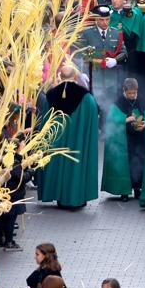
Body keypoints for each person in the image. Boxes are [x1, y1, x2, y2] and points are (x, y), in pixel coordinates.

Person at [38, 65, 100, 208]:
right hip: (78, 145)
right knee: (76, 165)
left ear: (60, 76)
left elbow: (45, 126)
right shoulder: (86, 98)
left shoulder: (51, 96)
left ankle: (59, 196)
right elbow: (92, 123)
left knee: (58, 163)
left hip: (57, 144)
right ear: (75, 77)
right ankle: (77, 197)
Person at [101, 78, 145, 201]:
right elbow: (111, 122)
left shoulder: (142, 101)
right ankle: (124, 192)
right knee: (126, 164)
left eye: (134, 93)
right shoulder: (118, 103)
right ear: (124, 90)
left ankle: (137, 189)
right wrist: (126, 120)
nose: (132, 96)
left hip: (140, 139)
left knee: (139, 162)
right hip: (124, 140)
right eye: (130, 93)